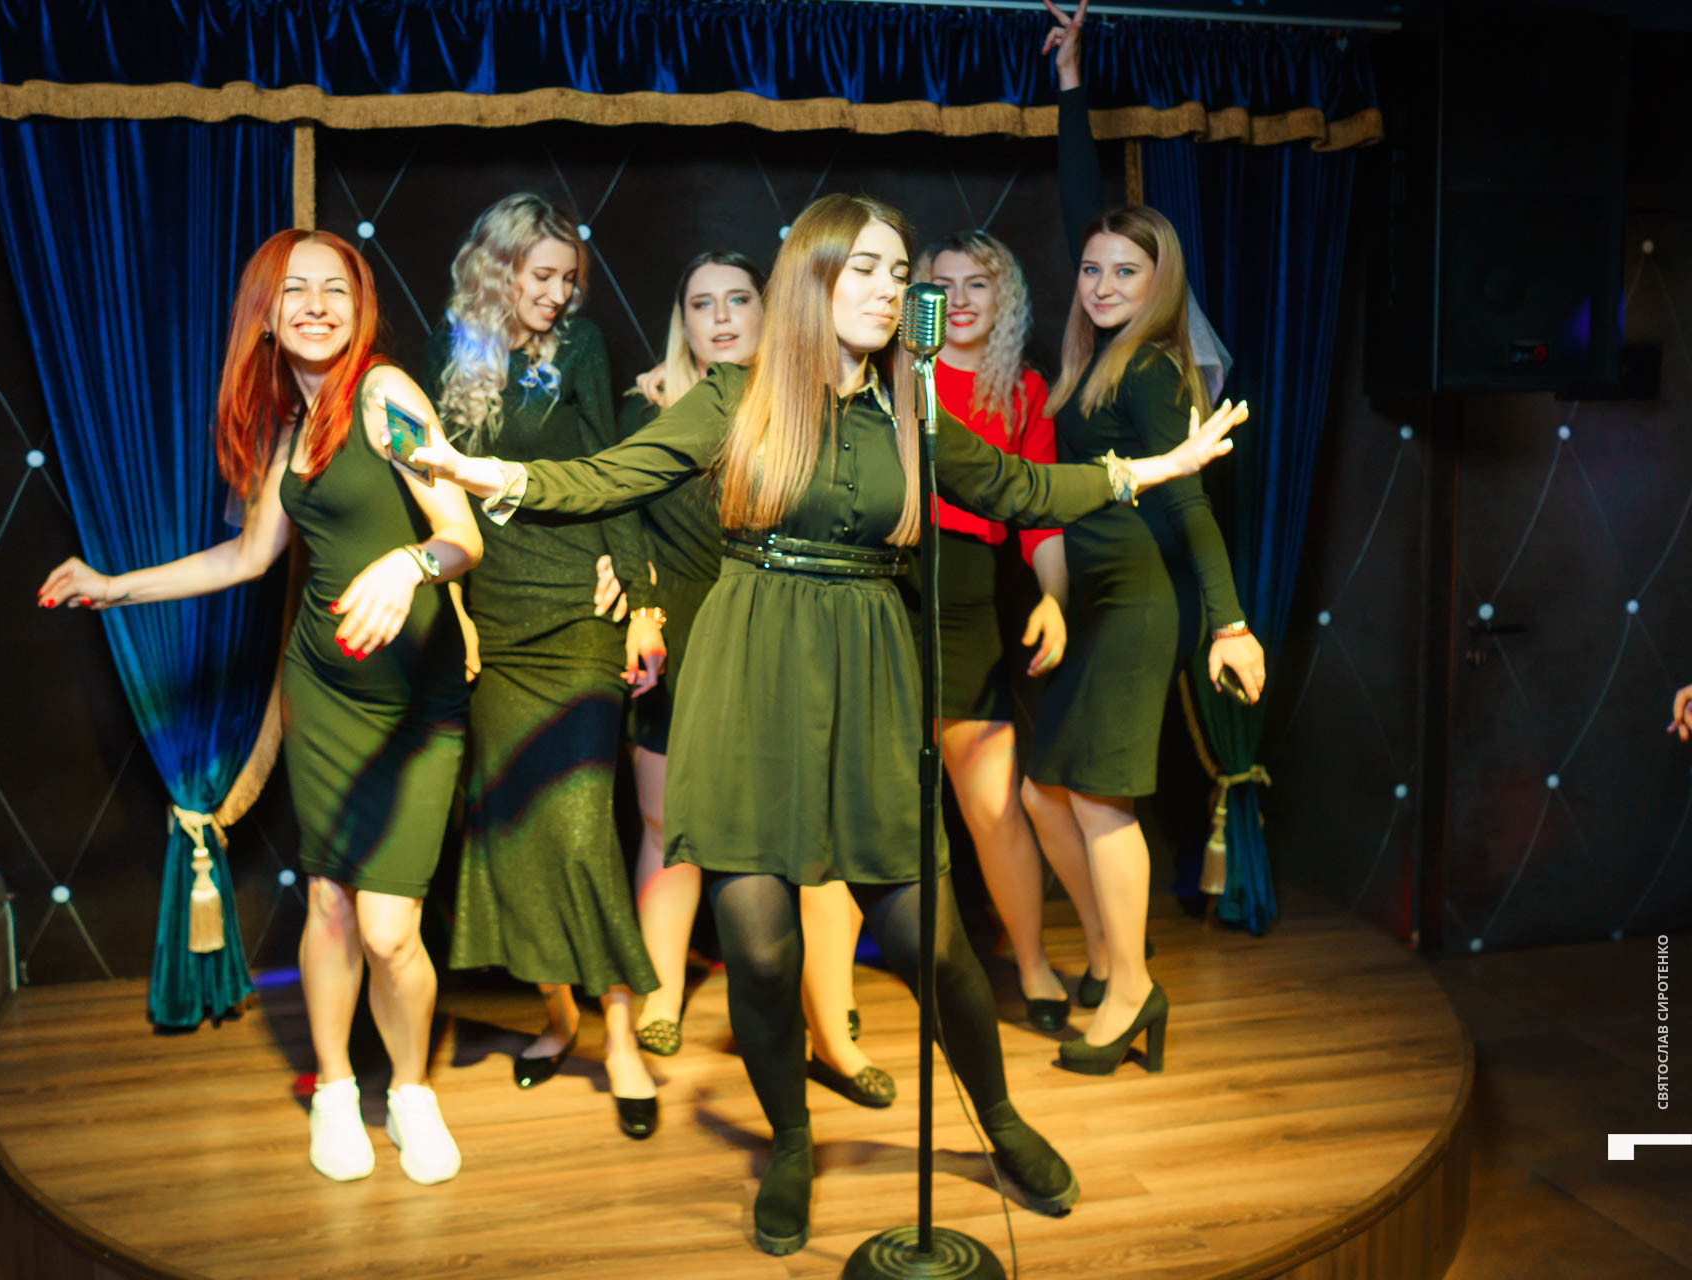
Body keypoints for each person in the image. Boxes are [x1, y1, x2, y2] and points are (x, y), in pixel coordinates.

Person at [406, 192, 1246, 1253]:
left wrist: (1152, 469)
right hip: (749, 675)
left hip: (868, 675)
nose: (890, 290)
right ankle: (791, 1142)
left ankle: (998, 1118)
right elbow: (612, 477)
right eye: (866, 269)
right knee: (759, 952)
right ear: (813, 277)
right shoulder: (740, 395)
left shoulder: (913, 406)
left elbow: (1022, 486)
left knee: (931, 940)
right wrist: (488, 473)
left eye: (899, 273)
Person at [37, 229, 483, 1185]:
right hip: (325, 693)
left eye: (335, 289)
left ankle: (410, 1091)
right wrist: (114, 586)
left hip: (415, 703)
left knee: (389, 930)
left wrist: (409, 567)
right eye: (295, 292)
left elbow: (461, 532)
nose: (317, 305)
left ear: (361, 306)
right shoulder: (290, 432)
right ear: (267, 317)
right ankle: (335, 1088)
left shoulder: (387, 397)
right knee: (330, 904)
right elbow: (247, 557)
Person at [1017, 0, 1269, 1077]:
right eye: (1093, 271)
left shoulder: (1158, 370)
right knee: (1046, 791)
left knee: (1097, 797)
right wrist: (1073, 86)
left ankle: (1130, 988)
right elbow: (1086, 210)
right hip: (1097, 599)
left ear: (1161, 283)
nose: (1105, 283)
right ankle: (1118, 959)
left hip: (1138, 606)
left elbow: (1192, 506)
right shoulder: (1097, 356)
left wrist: (1232, 623)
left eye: (1127, 271)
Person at [613, 251, 894, 1109]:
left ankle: (832, 1031)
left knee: (816, 843)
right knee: (668, 826)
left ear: (770, 312)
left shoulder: (803, 405)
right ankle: (661, 996)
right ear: (683, 321)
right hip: (680, 637)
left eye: (740, 299)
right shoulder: (649, 407)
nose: (723, 316)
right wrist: (639, 603)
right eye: (703, 303)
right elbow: (617, 508)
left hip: (786, 646)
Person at [425, 193, 664, 1139]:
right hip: (496, 620)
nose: (560, 294)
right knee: (516, 830)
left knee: (578, 830)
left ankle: (622, 1036)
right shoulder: (451, 360)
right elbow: (431, 496)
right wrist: (456, 614)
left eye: (570, 278)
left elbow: (614, 468)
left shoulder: (583, 347)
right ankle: (560, 1016)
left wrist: (637, 593)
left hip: (579, 611)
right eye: (544, 275)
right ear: (499, 269)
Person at [913, 227, 1079, 1033]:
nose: (960, 300)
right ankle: (837, 996)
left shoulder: (1023, 391)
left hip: (971, 596)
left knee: (991, 806)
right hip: (888, 584)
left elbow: (1041, 513)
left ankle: (1035, 965)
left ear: (1003, 296)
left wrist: (1055, 597)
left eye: (976, 283)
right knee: (872, 807)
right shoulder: (895, 375)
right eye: (942, 285)